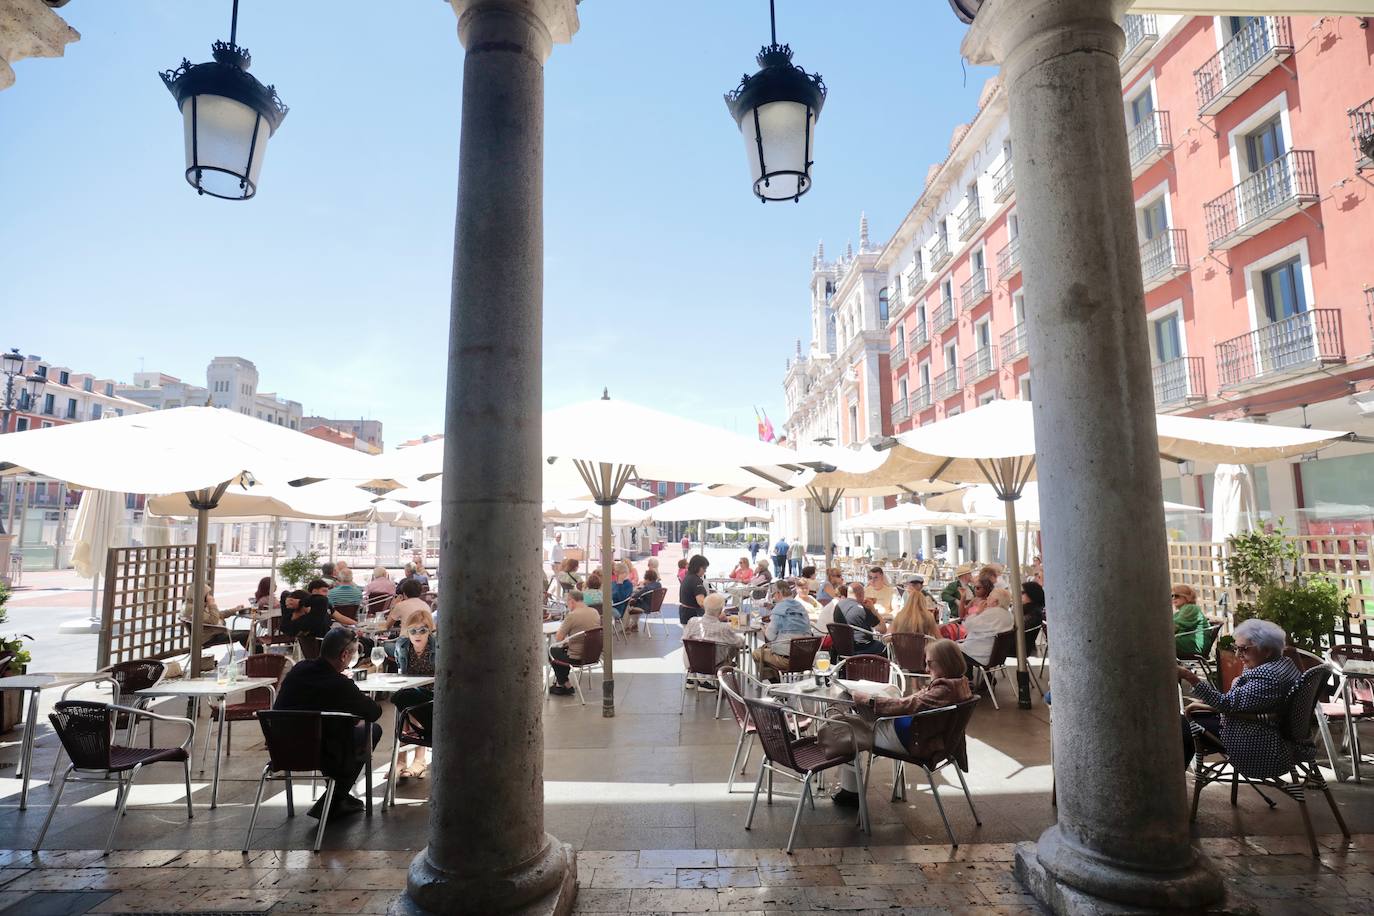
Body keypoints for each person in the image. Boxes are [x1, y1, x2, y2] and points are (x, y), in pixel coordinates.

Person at [818, 638, 973, 806]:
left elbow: (910, 705)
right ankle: (847, 782)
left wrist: (870, 700)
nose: (926, 669)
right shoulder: (960, 684)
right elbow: (915, 703)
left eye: (930, 663)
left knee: (848, 728)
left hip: (913, 740)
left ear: (946, 662)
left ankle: (849, 790)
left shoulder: (944, 690)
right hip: (919, 735)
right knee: (848, 706)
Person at [272, 627, 383, 818]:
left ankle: (338, 798)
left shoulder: (299, 669)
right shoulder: (340, 684)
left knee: (338, 732)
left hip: (283, 749)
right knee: (372, 730)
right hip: (323, 752)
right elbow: (373, 712)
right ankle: (334, 799)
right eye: (354, 654)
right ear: (344, 655)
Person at [1177, 619, 1300, 772]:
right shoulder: (1283, 663)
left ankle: (1171, 784)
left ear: (1267, 650)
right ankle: (1175, 779)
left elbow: (1225, 704)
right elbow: (1241, 700)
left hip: (1256, 741)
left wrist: (1189, 676)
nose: (1237, 654)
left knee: (1181, 726)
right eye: (1236, 648)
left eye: (1244, 649)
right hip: (1264, 729)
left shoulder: (1267, 676)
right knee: (1187, 726)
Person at [392, 607, 436, 779]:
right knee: (404, 701)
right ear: (407, 631)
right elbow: (401, 671)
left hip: (431, 695)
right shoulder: (402, 646)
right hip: (410, 690)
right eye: (413, 630)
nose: (418, 634)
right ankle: (401, 761)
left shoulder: (437, 645)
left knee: (408, 704)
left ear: (429, 630)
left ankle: (419, 760)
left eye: (423, 630)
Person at [753, 579, 814, 682]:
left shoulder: (779, 609)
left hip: (787, 659)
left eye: (773, 595)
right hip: (806, 657)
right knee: (770, 650)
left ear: (778, 594)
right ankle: (779, 687)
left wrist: (763, 628)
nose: (773, 598)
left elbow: (770, 636)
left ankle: (775, 686)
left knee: (757, 653)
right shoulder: (800, 606)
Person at [681, 593, 746, 688]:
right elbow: (738, 642)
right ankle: (727, 685)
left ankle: (695, 679)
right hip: (715, 665)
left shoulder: (692, 621)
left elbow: (684, 639)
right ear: (720, 611)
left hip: (693, 663)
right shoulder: (723, 628)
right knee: (733, 647)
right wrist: (742, 636)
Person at [548, 590, 601, 696]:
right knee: (561, 651)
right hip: (593, 655)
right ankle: (562, 684)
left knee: (551, 651)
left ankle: (565, 684)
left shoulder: (572, 615)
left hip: (577, 656)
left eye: (567, 602)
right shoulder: (594, 612)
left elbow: (559, 638)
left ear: (571, 601)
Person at [960, 587, 1014, 666]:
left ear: (995, 601)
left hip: (979, 655)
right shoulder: (1009, 615)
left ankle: (965, 676)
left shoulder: (991, 613)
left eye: (990, 596)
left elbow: (967, 625)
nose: (987, 598)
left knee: (947, 649)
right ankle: (972, 675)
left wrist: (978, 612)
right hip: (996, 655)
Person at [181, 586, 246, 648]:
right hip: (210, 637)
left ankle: (254, 655)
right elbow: (214, 620)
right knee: (247, 634)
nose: (209, 596)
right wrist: (212, 604)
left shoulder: (194, 604)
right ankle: (254, 657)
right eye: (207, 594)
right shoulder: (193, 609)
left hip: (212, 633)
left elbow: (217, 615)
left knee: (246, 633)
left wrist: (234, 609)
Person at [833, 582, 887, 655]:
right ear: (861, 594)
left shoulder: (838, 606)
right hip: (863, 648)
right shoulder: (862, 609)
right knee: (883, 647)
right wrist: (873, 609)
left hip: (842, 648)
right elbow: (883, 629)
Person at [1172, 584, 1206, 656]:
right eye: (1172, 596)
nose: (1173, 598)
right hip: (1187, 641)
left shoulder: (1190, 608)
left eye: (1177, 596)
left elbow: (1175, 626)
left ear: (1186, 597)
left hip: (1194, 643)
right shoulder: (1180, 611)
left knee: (1158, 642)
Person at [678, 555, 709, 625]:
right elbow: (701, 602)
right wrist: (714, 611)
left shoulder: (688, 576)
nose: (705, 571)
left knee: (687, 634)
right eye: (704, 569)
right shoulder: (696, 581)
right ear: (699, 568)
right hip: (693, 615)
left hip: (684, 612)